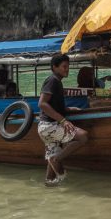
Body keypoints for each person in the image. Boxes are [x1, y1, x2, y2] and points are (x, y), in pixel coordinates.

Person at [38, 53, 88, 186]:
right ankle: (56, 159)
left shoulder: (57, 82)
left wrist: (69, 109)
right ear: (54, 67)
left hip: (46, 128)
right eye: (64, 66)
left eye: (68, 67)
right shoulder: (53, 80)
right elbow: (42, 103)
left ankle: (49, 189)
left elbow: (55, 106)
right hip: (49, 126)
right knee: (82, 136)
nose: (67, 69)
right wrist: (63, 121)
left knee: (51, 178)